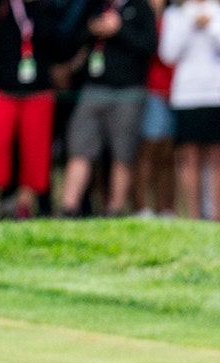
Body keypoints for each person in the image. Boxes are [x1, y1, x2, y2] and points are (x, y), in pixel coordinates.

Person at [59, 0, 158, 218]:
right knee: (80, 148)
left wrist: (120, 29)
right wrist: (92, 30)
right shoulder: (94, 6)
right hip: (93, 87)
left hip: (128, 90)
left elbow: (149, 46)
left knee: (122, 153)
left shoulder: (140, 8)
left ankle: (114, 209)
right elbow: (70, 42)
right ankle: (68, 208)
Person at [159, 0, 220, 221]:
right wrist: (191, 25)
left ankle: (216, 216)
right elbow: (168, 53)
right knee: (189, 157)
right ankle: (193, 216)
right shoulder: (176, 14)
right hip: (186, 95)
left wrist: (212, 26)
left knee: (218, 157)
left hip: (217, 94)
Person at [0, 0, 68, 219]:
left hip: (38, 92)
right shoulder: (3, 7)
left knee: (35, 150)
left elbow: (59, 46)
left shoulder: (48, 9)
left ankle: (23, 206)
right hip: (3, 90)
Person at [133, 0, 177, 219]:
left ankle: (165, 208)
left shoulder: (174, 17)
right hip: (153, 90)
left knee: (168, 155)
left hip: (177, 93)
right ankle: (141, 207)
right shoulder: (142, 18)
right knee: (149, 150)